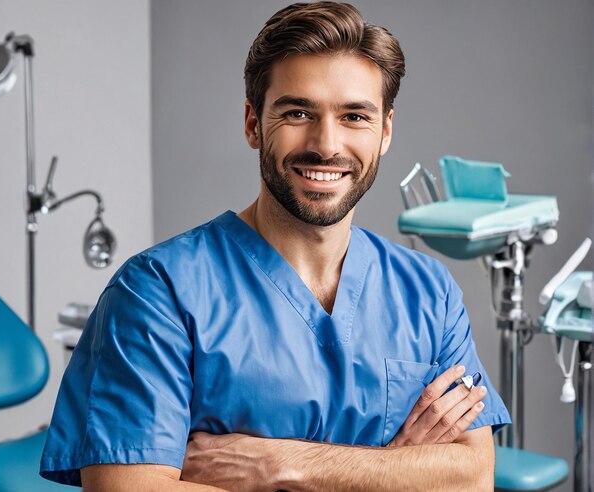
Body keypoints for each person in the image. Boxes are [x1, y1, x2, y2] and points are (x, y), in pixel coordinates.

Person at [40, 2, 510, 490]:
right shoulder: (157, 293)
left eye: (354, 116)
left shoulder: (427, 292)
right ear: (253, 124)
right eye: (298, 112)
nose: (327, 144)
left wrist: (281, 465)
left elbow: (473, 477)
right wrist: (392, 469)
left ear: (384, 131)